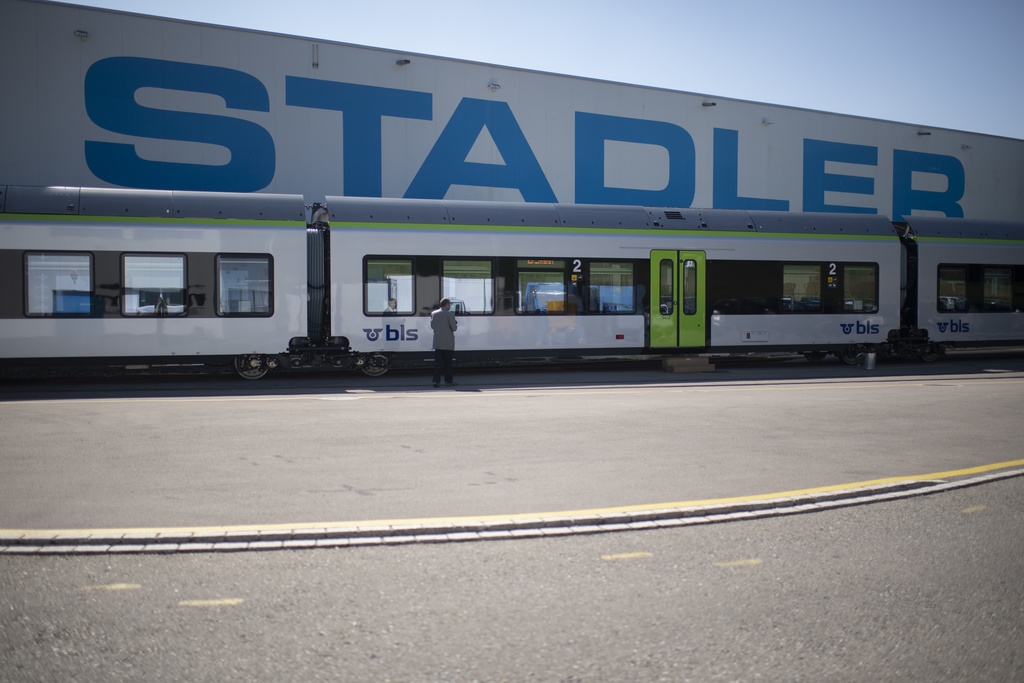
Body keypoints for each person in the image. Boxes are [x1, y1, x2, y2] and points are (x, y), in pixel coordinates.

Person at [430, 297, 458, 387]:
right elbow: (454, 328)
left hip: (438, 342)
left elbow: (432, 326)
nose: (449, 306)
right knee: (448, 363)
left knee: (437, 363)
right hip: (448, 343)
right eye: (449, 304)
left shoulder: (433, 314)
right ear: (446, 305)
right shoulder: (450, 314)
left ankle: (436, 381)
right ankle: (448, 381)